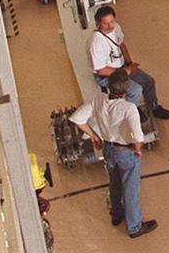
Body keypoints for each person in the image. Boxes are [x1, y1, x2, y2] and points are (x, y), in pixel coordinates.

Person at [68, 72, 158, 238]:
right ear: (126, 89)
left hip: (108, 148)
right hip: (125, 150)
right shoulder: (128, 108)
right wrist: (137, 149)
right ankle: (134, 227)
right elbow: (138, 137)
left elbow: (76, 119)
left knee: (114, 182)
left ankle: (116, 214)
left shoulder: (99, 100)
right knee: (130, 189)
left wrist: (94, 135)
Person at [89, 5, 169, 119]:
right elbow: (100, 70)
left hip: (122, 67)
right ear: (98, 23)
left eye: (112, 21)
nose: (110, 26)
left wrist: (129, 62)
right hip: (107, 75)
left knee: (149, 82)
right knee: (135, 90)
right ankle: (130, 114)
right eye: (106, 23)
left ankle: (154, 108)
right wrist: (125, 71)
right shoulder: (96, 43)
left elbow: (121, 44)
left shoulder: (116, 28)